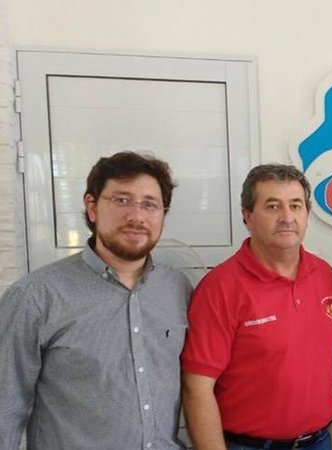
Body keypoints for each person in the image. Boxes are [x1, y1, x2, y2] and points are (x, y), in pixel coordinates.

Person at [0, 151, 191, 450]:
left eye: (149, 204)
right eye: (122, 200)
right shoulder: (34, 297)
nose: (137, 216)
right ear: (91, 207)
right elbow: (5, 409)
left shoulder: (178, 289)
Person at [181, 164, 332, 450]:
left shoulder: (325, 275)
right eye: (272, 206)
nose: (287, 217)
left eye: (296, 206)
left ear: (306, 214)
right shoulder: (220, 288)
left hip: (319, 442)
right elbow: (197, 387)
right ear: (248, 216)